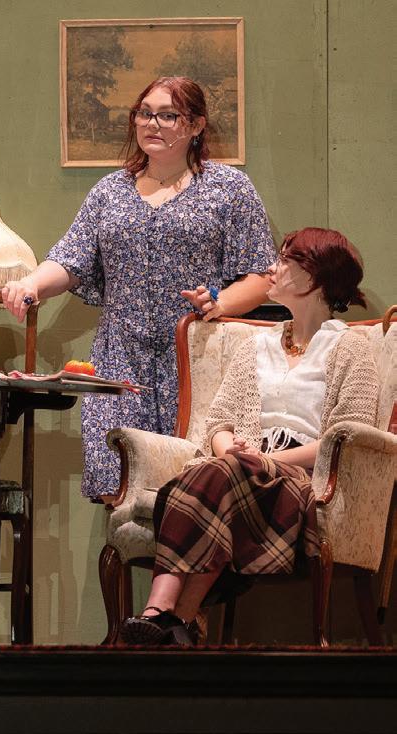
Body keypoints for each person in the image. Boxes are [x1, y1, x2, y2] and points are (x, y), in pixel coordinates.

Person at [1, 76, 276, 499]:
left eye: (168, 115)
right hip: (120, 360)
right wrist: (31, 283)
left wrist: (219, 303)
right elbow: (71, 259)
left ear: (196, 125)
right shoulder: (110, 192)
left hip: (197, 358)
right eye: (144, 113)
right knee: (120, 484)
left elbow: (261, 275)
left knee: (196, 489)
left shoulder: (229, 189)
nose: (152, 123)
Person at [120, 227, 379, 645]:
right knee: (220, 474)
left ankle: (161, 611)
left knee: (219, 477)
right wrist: (234, 453)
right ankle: (177, 623)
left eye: (285, 261)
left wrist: (268, 462)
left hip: (300, 477)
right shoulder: (258, 346)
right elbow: (219, 422)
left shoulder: (350, 349)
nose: (273, 269)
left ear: (315, 277)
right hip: (240, 467)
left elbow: (346, 437)